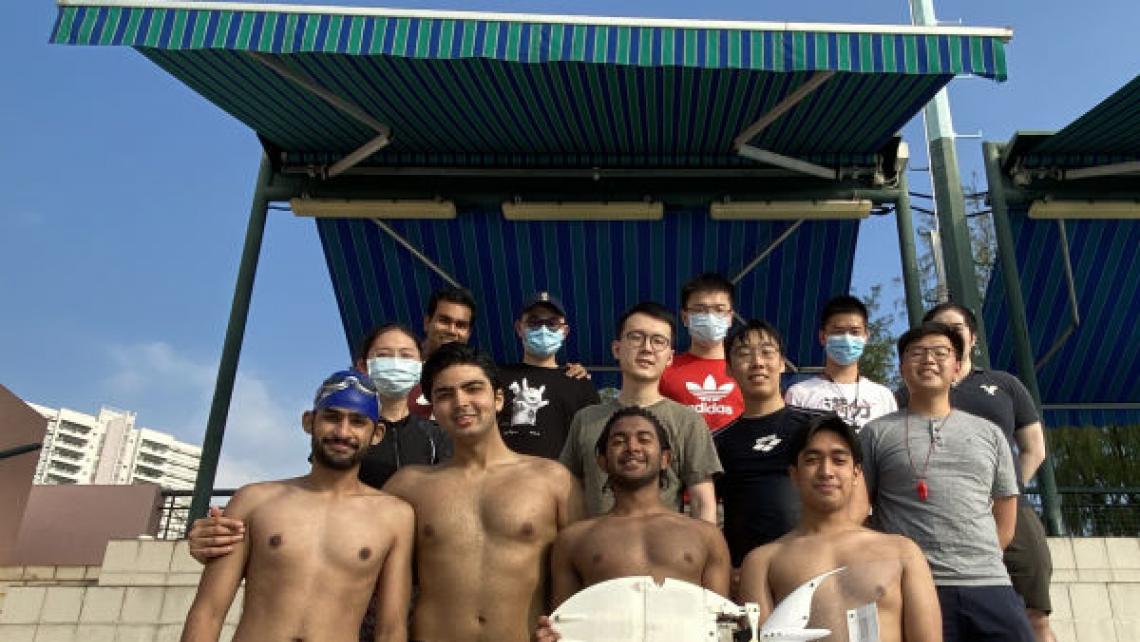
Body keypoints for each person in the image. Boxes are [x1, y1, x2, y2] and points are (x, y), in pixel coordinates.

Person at [189, 345, 581, 642]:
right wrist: (205, 538)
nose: (460, 402)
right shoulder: (407, 488)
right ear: (433, 407)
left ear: (498, 399)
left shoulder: (554, 480)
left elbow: (583, 575)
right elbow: (337, 525)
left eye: (473, 389)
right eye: (444, 394)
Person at [181, 370, 414, 642]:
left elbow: (391, 629)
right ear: (309, 421)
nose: (342, 432)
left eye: (358, 422)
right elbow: (208, 611)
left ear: (377, 433)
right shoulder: (254, 501)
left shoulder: (394, 517)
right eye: (332, 417)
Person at [860, 322, 1034, 642]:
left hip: (989, 583)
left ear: (957, 368)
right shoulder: (875, 433)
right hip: (914, 587)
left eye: (940, 353)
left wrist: (980, 560)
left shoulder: (990, 434)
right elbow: (857, 511)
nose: (928, 360)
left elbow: (1005, 516)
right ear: (901, 368)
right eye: (917, 353)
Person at [903, 302, 1055, 642]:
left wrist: (1006, 496)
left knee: (1035, 616)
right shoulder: (908, 393)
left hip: (1012, 516)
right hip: (938, 523)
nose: (948, 334)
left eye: (955, 329)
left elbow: (1034, 448)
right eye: (937, 330)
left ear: (972, 338)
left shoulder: (1005, 384)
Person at [533, 406, 731, 642]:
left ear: (665, 459)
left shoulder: (706, 537)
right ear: (602, 461)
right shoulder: (574, 540)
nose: (632, 447)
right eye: (619, 441)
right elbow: (562, 627)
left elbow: (723, 628)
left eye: (644, 439)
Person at [738, 415, 941, 642]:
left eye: (839, 460)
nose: (826, 471)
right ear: (794, 475)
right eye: (812, 460)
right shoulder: (762, 562)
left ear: (856, 474)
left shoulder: (903, 552)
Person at [560, 301, 722, 523]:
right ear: (616, 349)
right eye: (636, 337)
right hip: (595, 551)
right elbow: (568, 491)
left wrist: (704, 549)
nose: (647, 348)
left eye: (658, 341)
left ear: (670, 358)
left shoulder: (688, 421)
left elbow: (702, 500)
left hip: (665, 550)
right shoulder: (585, 419)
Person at [715, 320, 828, 568]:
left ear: (781, 363)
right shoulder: (719, 441)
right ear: (729, 369)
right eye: (744, 354)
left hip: (815, 565)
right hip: (746, 572)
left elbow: (852, 495)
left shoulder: (817, 426)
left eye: (767, 352)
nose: (757, 362)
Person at [498, 292, 600, 459]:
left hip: (561, 482)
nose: (543, 329)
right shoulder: (497, 377)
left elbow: (592, 444)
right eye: (534, 322)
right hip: (504, 480)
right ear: (519, 328)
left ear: (565, 331)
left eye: (552, 323)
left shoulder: (578, 381)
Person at [354, 322, 452, 487]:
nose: (396, 363)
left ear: (420, 367)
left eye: (406, 356)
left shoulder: (437, 435)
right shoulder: (347, 431)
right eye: (384, 355)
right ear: (363, 366)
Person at [784, 295, 897, 431]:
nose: (847, 339)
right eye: (838, 332)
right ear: (822, 336)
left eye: (855, 332)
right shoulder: (799, 394)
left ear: (866, 336)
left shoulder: (883, 396)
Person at [659, 273, 744, 430]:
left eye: (719, 310)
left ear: (730, 317)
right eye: (700, 310)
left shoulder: (746, 369)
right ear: (685, 317)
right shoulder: (665, 369)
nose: (710, 317)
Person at [407, 286, 478, 417]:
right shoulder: (398, 368)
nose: (451, 330)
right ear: (427, 323)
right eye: (444, 321)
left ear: (468, 333)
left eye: (460, 325)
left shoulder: (475, 374)